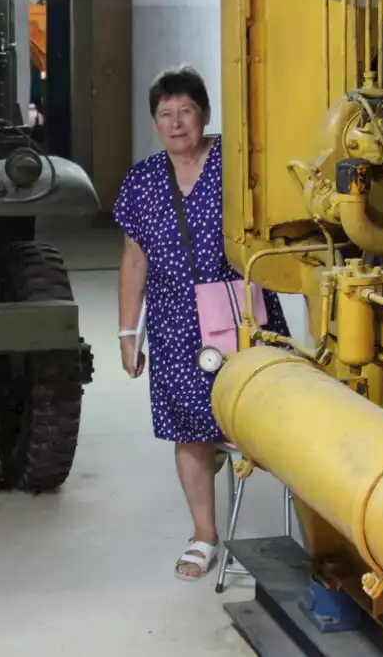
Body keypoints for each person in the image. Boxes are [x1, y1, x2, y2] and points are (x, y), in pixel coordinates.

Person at [113, 66, 288, 581]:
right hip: (172, 323)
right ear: (154, 122)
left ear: (204, 114)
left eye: (185, 111)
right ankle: (204, 535)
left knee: (264, 414)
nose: (175, 123)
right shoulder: (143, 180)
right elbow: (133, 258)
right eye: (165, 114)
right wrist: (128, 333)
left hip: (241, 311)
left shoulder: (235, 165)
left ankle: (303, 532)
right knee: (188, 428)